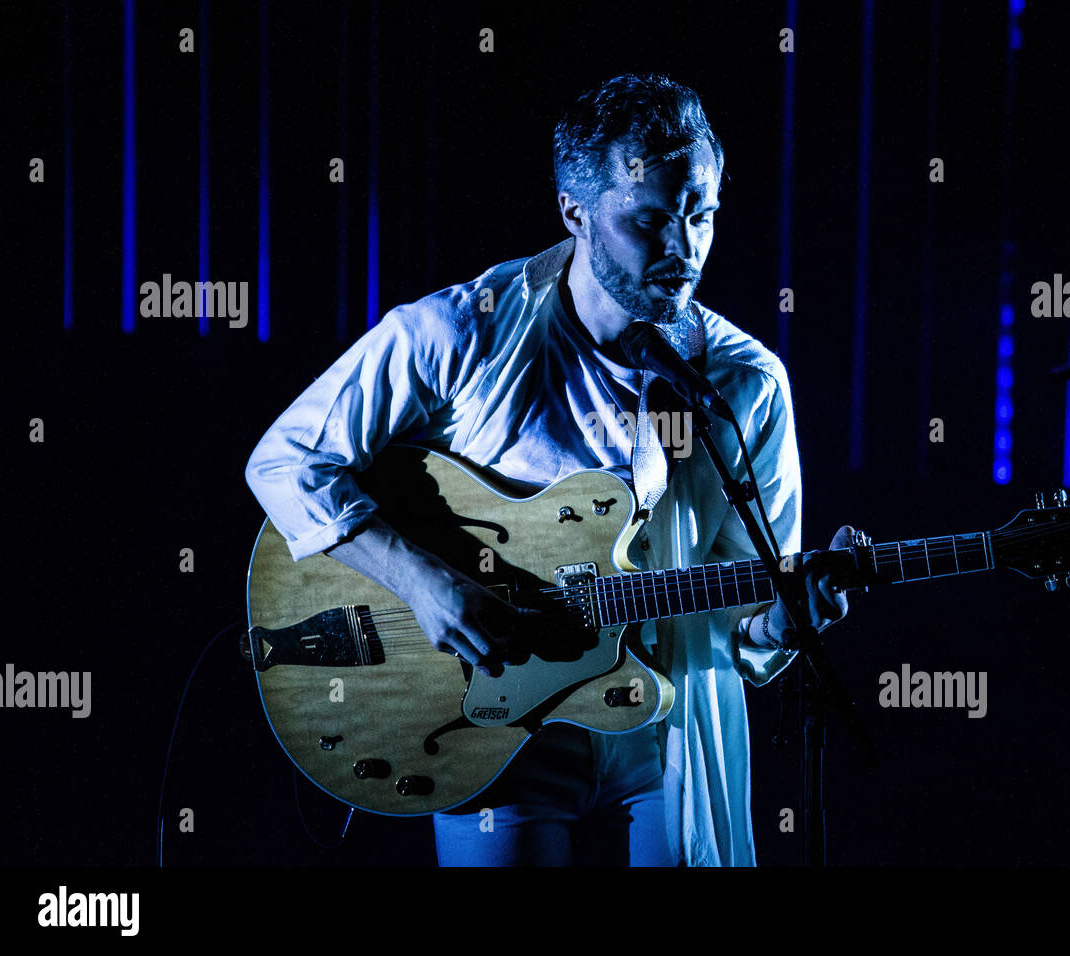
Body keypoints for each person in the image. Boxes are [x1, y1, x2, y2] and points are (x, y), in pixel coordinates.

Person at [245, 72, 855, 866]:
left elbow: (742, 600)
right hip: (497, 725)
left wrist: (782, 620)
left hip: (667, 729)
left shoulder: (745, 383)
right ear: (574, 212)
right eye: (650, 220)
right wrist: (424, 583)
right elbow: (286, 461)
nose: (684, 249)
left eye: (700, 214)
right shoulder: (462, 332)